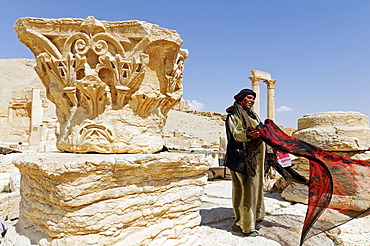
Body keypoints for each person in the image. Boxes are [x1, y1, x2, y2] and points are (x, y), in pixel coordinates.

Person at [224, 88, 265, 237]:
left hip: (255, 160)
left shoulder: (253, 115)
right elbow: (236, 134)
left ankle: (256, 217)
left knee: (255, 189)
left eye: (253, 98)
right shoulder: (234, 115)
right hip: (241, 158)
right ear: (241, 99)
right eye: (249, 98)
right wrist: (248, 134)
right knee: (245, 191)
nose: (252, 101)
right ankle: (245, 225)